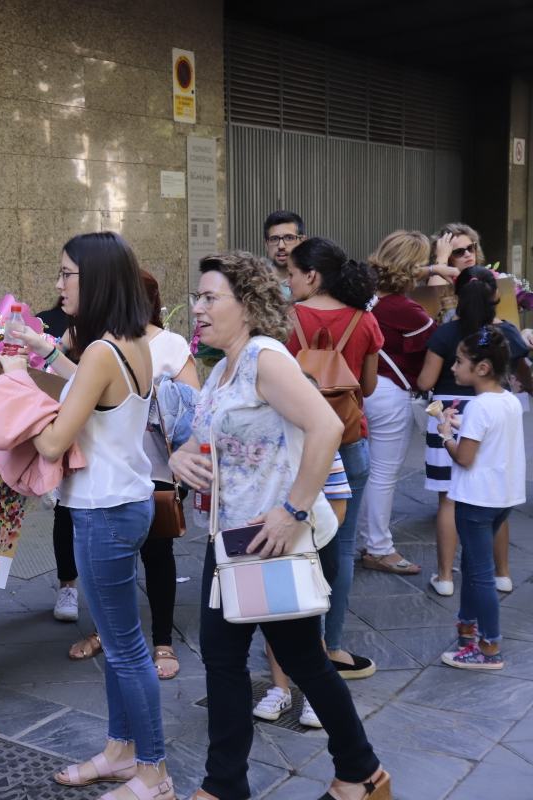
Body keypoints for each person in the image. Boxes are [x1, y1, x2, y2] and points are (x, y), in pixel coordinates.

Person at [171, 251, 388, 800]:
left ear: (247, 305)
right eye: (198, 297)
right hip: (234, 539)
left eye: (209, 297)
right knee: (281, 661)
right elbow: (208, 443)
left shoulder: (266, 358)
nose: (197, 307)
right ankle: (359, 773)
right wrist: (179, 458)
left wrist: (291, 510)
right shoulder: (222, 368)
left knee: (254, 662)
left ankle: (230, 786)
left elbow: (326, 426)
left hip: (268, 539)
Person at [2, 231, 176, 799]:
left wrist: (10, 391)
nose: (58, 285)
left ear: (95, 279)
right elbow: (83, 386)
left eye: (66, 274)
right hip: (121, 502)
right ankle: (120, 751)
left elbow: (52, 444)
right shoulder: (129, 342)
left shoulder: (103, 351)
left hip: (103, 510)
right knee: (122, 643)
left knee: (126, 649)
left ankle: (153, 772)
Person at [50, 272, 200, 679]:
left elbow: (194, 408)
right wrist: (44, 351)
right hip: (105, 472)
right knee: (108, 570)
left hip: (157, 469)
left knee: (157, 555)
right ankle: (105, 632)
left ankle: (163, 642)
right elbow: (82, 389)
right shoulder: (101, 343)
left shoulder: (166, 343)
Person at [284, 237, 382, 681]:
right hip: (348, 440)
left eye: (291, 273)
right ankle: (332, 646)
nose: (287, 282)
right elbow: (369, 387)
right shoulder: (364, 321)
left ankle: (291, 650)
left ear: (311, 275)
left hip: (299, 448)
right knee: (340, 547)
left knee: (293, 542)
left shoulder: (286, 319)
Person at [417, 267, 531, 597]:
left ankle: (445, 577)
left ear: (457, 294)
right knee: (496, 498)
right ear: (495, 296)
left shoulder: (446, 334)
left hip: (448, 414)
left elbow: (425, 382)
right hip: (496, 412)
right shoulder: (503, 335)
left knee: (448, 501)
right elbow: (524, 375)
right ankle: (503, 574)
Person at [436, 326, 525, 670]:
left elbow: (464, 458)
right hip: (502, 497)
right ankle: (467, 630)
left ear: (482, 367)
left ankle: (489, 647)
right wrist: (460, 427)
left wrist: (446, 434)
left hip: (476, 499)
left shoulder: (478, 406)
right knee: (476, 568)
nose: (454, 368)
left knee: (480, 574)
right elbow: (488, 443)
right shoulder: (508, 401)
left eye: (459, 362)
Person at [253, 446, 351, 730]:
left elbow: (338, 505)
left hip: (308, 546)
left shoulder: (320, 444)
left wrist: (307, 537)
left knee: (312, 623)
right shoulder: (264, 446)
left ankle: (313, 693)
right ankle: (280, 689)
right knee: (271, 616)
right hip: (266, 543)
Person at [359, 231, 437, 575]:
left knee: (362, 471)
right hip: (391, 396)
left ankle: (361, 539)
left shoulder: (362, 297)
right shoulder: (407, 309)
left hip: (362, 390)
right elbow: (436, 349)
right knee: (383, 474)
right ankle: (378, 547)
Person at [36, 300, 83, 624]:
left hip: (93, 427)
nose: (60, 286)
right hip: (56, 421)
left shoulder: (105, 326)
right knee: (64, 511)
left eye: (68, 276)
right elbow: (36, 373)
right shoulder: (45, 321)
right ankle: (68, 584)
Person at [263, 210, 306, 287]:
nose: (281, 246)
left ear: (302, 242)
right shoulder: (254, 283)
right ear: (266, 245)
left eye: (289, 238)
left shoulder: (315, 281)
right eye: (274, 239)